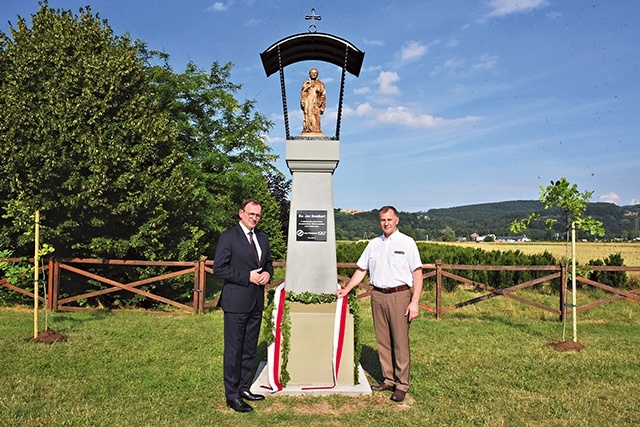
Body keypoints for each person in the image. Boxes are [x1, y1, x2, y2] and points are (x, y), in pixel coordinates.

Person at [337, 206, 423, 403]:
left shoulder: (407, 243)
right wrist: (347, 289)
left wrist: (414, 302)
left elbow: (417, 274)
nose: (386, 223)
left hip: (399, 296)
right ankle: (389, 379)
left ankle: (402, 385)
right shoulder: (373, 244)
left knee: (400, 342)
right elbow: (361, 270)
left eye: (389, 219)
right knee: (383, 340)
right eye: (383, 220)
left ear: (397, 220)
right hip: (378, 295)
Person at [214, 199, 273, 413]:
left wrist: (268, 273)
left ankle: (244, 387)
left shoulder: (263, 238)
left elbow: (268, 264)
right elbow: (219, 268)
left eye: (258, 215)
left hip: (256, 302)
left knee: (249, 349)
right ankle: (232, 396)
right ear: (241, 213)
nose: (254, 218)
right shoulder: (228, 237)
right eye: (251, 214)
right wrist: (246, 277)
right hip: (236, 302)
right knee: (234, 351)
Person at [300, 67, 326, 135]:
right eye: (312, 73)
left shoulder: (320, 84)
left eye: (315, 73)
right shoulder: (306, 83)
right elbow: (303, 93)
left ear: (317, 74)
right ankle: (307, 129)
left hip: (316, 102)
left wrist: (321, 103)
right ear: (309, 74)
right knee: (308, 115)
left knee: (316, 116)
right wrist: (307, 87)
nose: (313, 74)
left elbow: (323, 94)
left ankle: (316, 129)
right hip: (308, 101)